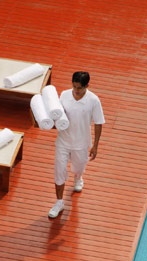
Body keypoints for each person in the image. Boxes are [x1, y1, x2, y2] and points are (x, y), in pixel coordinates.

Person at [48, 71, 104, 219]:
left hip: (81, 143)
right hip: (63, 142)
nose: (76, 90)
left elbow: (98, 123)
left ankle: (78, 177)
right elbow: (57, 115)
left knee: (79, 167)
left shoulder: (94, 100)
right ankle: (59, 202)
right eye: (74, 87)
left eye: (79, 88)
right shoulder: (64, 95)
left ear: (87, 86)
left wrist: (95, 146)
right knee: (59, 171)